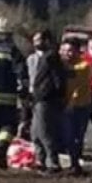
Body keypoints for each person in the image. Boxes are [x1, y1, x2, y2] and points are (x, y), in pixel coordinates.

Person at [26, 30, 66, 174]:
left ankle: (53, 163)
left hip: (46, 99)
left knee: (45, 132)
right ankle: (40, 160)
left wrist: (56, 95)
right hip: (37, 98)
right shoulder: (37, 58)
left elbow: (58, 80)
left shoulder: (51, 57)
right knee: (35, 132)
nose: (36, 43)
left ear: (47, 41)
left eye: (39, 40)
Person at [0, 20, 29, 169]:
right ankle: (1, 146)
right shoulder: (14, 52)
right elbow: (23, 75)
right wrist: (24, 92)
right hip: (7, 98)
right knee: (9, 126)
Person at [59, 40, 92, 174]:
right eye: (64, 50)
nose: (67, 54)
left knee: (77, 135)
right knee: (67, 135)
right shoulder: (62, 66)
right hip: (66, 105)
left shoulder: (84, 66)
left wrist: (70, 104)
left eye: (70, 50)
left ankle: (75, 162)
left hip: (80, 106)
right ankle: (72, 160)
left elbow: (78, 88)